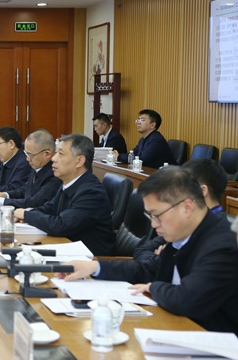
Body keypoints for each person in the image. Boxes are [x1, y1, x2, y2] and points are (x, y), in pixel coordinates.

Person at [59, 167, 238, 334]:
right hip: (174, 325)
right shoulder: (184, 232)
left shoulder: (222, 245)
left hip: (212, 341)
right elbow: (148, 269)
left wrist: (153, 287)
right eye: (150, 216)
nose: (153, 224)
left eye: (157, 215)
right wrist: (94, 267)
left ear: (187, 207)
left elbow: (186, 299)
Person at [15, 134, 116, 256]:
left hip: (92, 259)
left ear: (79, 161)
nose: (54, 158)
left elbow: (61, 225)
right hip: (69, 250)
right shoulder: (69, 183)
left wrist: (26, 215)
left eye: (61, 154)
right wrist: (23, 213)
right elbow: (49, 208)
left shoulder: (92, 192)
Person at [134, 159, 230, 264]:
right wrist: (158, 259)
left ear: (202, 191)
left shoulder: (218, 234)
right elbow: (141, 250)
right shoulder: (182, 221)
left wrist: (160, 259)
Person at [0, 129, 61, 210]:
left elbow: (35, 202)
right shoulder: (37, 166)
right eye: (26, 154)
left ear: (47, 154)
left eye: (30, 155)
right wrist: (5, 195)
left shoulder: (54, 174)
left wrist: (0, 202)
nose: (27, 159)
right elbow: (24, 190)